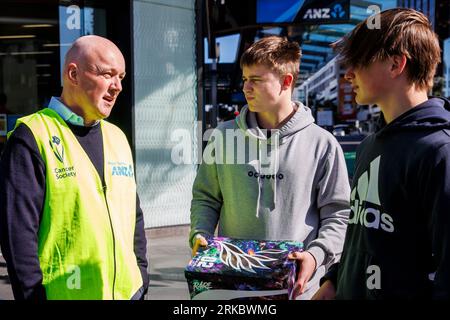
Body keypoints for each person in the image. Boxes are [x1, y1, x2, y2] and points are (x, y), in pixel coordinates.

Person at [190, 36, 351, 299]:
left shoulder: (322, 144)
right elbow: (206, 198)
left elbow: (339, 214)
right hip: (232, 287)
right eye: (244, 79)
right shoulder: (222, 136)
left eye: (256, 80)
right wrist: (200, 233)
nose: (245, 88)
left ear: (286, 82)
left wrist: (315, 255)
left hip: (298, 289)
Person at [313, 8, 450, 299]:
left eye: (360, 61)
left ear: (395, 64)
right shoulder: (369, 144)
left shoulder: (441, 152)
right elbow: (361, 236)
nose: (349, 74)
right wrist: (336, 280)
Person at [0, 35, 148, 300]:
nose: (117, 87)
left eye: (121, 77)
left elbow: (133, 217)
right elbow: (18, 236)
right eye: (107, 74)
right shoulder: (33, 136)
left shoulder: (117, 137)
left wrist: (141, 278)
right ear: (73, 74)